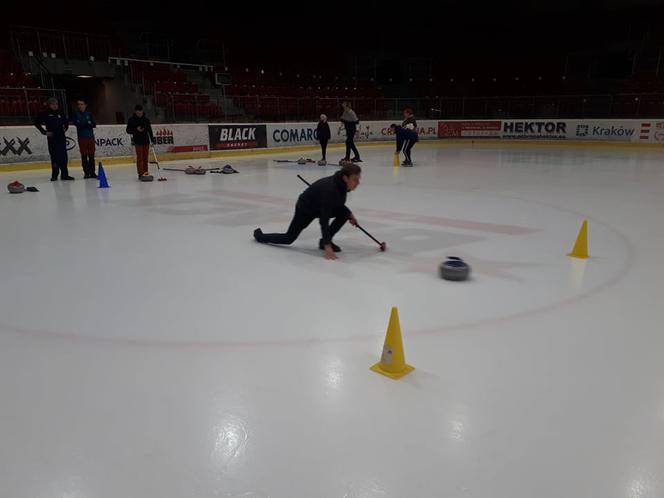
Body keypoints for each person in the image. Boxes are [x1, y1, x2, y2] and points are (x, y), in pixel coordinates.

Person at [253, 163, 361, 261]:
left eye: (358, 179)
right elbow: (324, 220)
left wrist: (350, 215)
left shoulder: (342, 185)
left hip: (319, 206)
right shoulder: (331, 190)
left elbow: (338, 205)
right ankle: (260, 236)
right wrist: (328, 247)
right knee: (289, 238)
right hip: (305, 209)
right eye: (355, 179)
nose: (358, 183)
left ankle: (323, 241)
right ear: (345, 178)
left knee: (344, 214)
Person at [34, 97, 74, 181]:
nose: (55, 106)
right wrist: (44, 132)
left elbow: (66, 122)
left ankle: (65, 175)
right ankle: (54, 175)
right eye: (53, 104)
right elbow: (36, 123)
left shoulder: (60, 113)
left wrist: (65, 128)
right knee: (55, 157)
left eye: (56, 104)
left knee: (63, 157)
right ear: (49, 105)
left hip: (61, 138)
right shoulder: (45, 113)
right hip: (52, 139)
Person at [125, 104, 155, 179]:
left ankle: (145, 172)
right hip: (137, 141)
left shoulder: (146, 119)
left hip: (146, 141)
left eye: (141, 113)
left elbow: (149, 130)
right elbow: (128, 130)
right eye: (138, 113)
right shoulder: (131, 120)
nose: (140, 115)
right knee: (140, 158)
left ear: (142, 112)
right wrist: (136, 130)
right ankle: (140, 174)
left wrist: (152, 140)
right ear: (135, 112)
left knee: (145, 158)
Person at [72, 98, 98, 179]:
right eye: (78, 104)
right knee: (84, 155)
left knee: (91, 155)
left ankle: (92, 172)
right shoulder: (75, 114)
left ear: (85, 105)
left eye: (81, 104)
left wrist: (85, 123)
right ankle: (86, 172)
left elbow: (93, 124)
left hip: (90, 137)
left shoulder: (89, 114)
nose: (80, 106)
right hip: (82, 138)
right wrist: (87, 123)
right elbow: (77, 124)